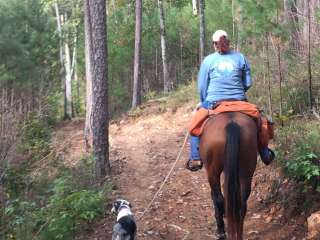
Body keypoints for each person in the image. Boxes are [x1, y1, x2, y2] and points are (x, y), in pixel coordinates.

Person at [186, 30, 275, 171]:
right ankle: (264, 152)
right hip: (238, 100)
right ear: (228, 41)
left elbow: (202, 86)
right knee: (260, 121)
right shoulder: (240, 57)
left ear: (214, 44)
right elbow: (247, 83)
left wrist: (203, 102)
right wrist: (238, 93)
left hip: (213, 101)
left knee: (195, 122)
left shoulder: (208, 60)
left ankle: (196, 158)